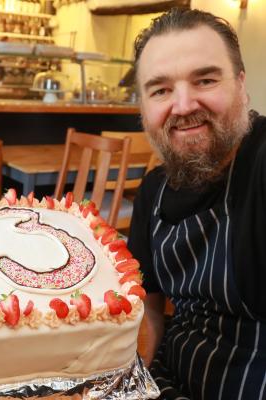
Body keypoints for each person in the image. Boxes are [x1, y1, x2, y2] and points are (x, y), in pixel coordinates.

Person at [128, 8, 266, 400]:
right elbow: (150, 311)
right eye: (161, 90)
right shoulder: (153, 191)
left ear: (241, 85)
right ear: (143, 109)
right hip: (163, 380)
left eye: (205, 80)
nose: (184, 105)